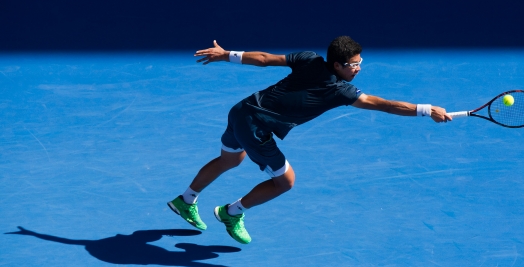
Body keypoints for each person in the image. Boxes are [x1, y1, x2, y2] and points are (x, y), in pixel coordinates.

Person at [168, 36, 451, 244]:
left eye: (360, 63)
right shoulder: (342, 91)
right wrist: (426, 110)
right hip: (256, 128)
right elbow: (384, 104)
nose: (359, 69)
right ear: (338, 65)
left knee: (230, 159)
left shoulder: (309, 58)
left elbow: (266, 59)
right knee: (285, 181)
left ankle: (186, 199)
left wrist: (226, 54)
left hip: (241, 111)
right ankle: (232, 212)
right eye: (354, 65)